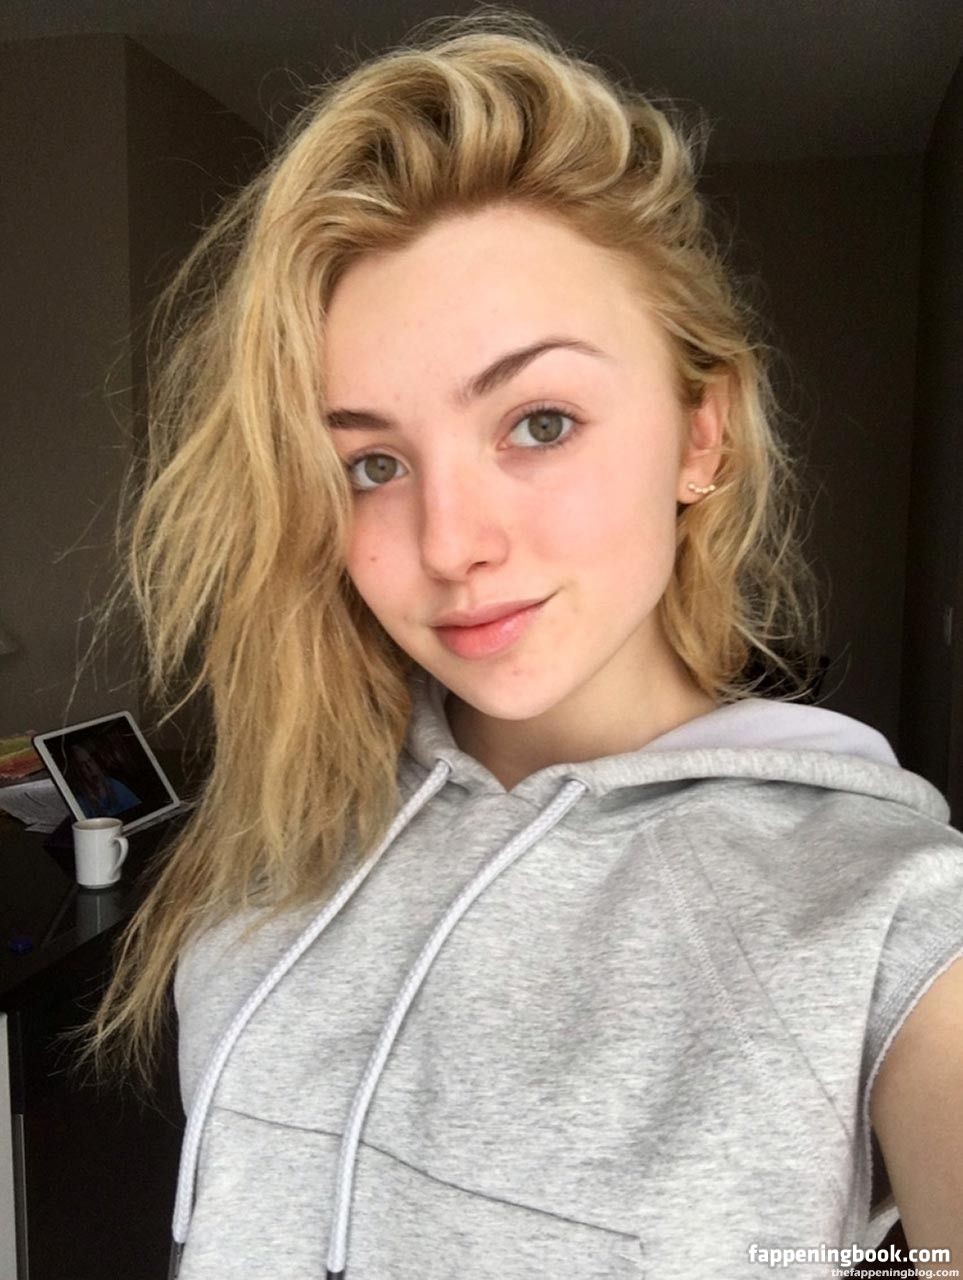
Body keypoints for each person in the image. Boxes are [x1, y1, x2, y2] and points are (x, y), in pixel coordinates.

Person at [76, 10, 963, 1278]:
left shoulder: (890, 913)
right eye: (371, 463)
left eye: (539, 422)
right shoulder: (290, 826)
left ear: (701, 434)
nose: (452, 543)